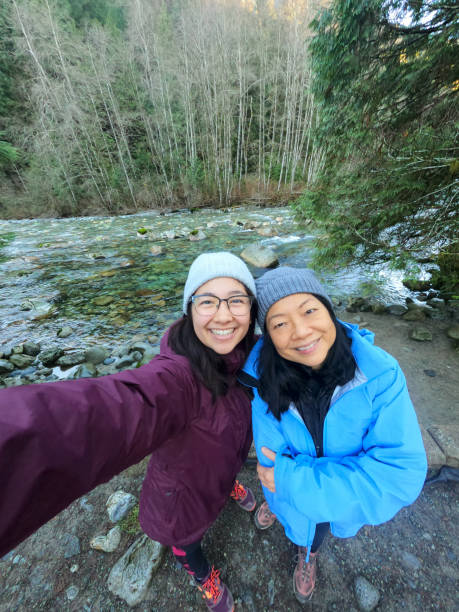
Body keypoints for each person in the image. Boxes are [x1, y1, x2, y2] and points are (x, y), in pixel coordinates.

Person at [0, 251, 259, 612]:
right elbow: (112, 411)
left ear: (252, 308)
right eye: (207, 301)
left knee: (225, 463)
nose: (224, 314)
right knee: (187, 542)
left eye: (236, 300)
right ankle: (202, 576)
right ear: (189, 310)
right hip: (183, 495)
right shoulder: (177, 378)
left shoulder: (251, 355)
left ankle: (228, 481)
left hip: (223, 463)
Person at [240, 267, 427, 603]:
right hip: (289, 488)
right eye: (279, 323)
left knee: (314, 530)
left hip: (300, 488)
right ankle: (283, 516)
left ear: (329, 310)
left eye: (310, 310)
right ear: (268, 336)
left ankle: (307, 557)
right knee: (285, 509)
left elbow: (399, 473)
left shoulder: (379, 376)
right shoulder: (260, 379)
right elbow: (269, 455)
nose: (300, 331)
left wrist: (288, 478)